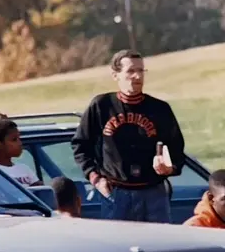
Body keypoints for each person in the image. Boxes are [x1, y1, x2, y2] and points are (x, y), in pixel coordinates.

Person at [71, 49, 185, 223]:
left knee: (160, 239)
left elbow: (177, 149)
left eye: (141, 71)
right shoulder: (102, 106)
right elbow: (80, 146)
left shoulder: (160, 109)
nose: (137, 76)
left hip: (154, 193)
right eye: (130, 71)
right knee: (118, 240)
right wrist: (96, 179)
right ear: (115, 75)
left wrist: (169, 168)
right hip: (115, 193)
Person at [0, 118, 42, 187]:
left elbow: (41, 191)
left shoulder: (24, 169)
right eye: (14, 140)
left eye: (19, 138)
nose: (20, 143)